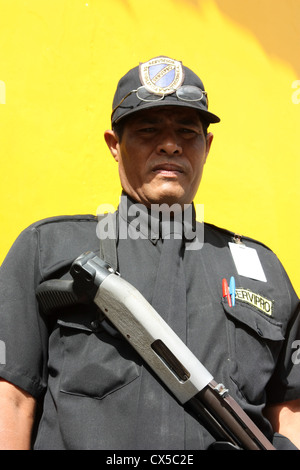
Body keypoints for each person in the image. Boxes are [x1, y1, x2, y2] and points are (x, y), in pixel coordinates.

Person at [0, 55, 299, 451]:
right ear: (114, 145)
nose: (171, 144)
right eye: (148, 129)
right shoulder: (48, 248)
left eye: (187, 132)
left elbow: (290, 410)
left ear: (206, 147)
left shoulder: (263, 269)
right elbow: (12, 400)